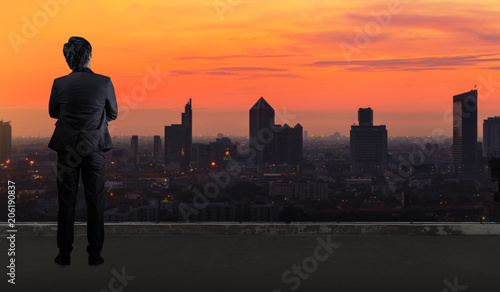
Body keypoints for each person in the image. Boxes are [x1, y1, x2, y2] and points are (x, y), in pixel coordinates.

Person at [48, 36, 117, 266]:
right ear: (89, 55)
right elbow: (113, 113)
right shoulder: (104, 82)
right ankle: (94, 254)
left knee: (66, 201)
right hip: (94, 147)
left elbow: (53, 112)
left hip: (67, 148)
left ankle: (64, 254)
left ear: (68, 59)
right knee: (95, 201)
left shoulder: (59, 83)